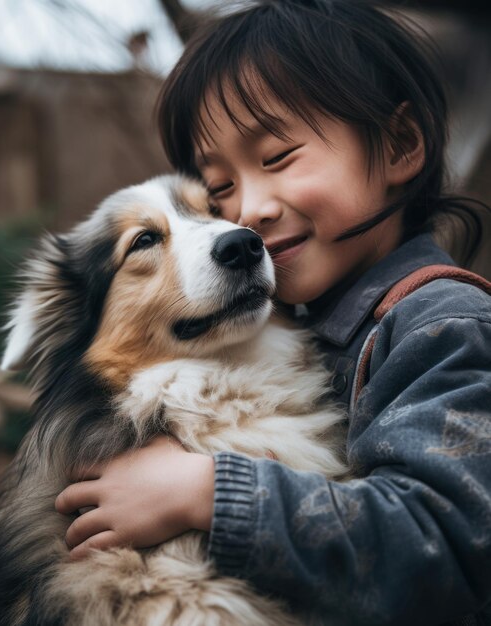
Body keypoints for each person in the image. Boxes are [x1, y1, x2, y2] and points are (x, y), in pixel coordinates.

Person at [54, 1, 491, 623]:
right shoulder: (308, 312)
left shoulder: (442, 325)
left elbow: (446, 547)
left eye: (278, 156)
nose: (248, 211)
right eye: (221, 189)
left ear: (398, 146)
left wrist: (208, 493)